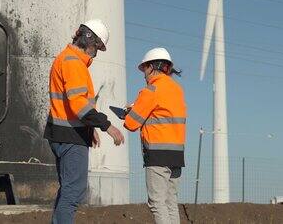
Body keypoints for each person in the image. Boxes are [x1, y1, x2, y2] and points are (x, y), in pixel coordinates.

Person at [44, 19, 125, 224]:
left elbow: (71, 104)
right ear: (88, 37)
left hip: (64, 133)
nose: (96, 53)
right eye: (97, 46)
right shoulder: (73, 62)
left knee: (68, 191)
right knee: (73, 193)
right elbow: (79, 104)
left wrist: (90, 128)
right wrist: (107, 126)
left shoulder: (67, 58)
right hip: (70, 137)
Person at [123, 47, 186, 224]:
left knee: (157, 203)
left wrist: (129, 113)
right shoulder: (177, 90)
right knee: (170, 202)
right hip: (176, 155)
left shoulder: (151, 90)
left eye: (144, 69)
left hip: (157, 155)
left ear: (152, 67)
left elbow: (131, 124)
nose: (144, 74)